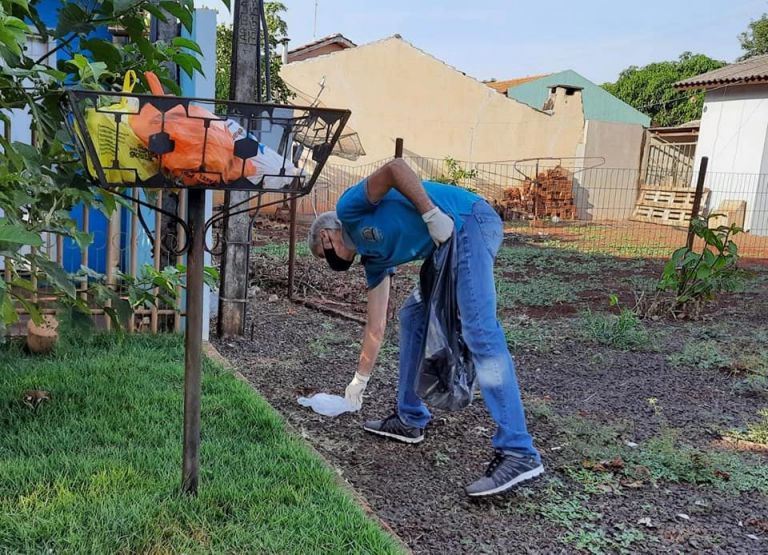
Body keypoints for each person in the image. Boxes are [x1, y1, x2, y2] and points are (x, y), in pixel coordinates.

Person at [307, 159, 543, 496]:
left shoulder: (350, 208)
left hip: (468, 222)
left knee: (479, 329)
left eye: (323, 253)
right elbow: (376, 325)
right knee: (412, 318)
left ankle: (519, 450)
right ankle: (409, 417)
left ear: (327, 235)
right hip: (443, 248)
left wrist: (430, 213)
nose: (329, 261)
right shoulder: (374, 259)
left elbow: (395, 168)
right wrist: (359, 381)